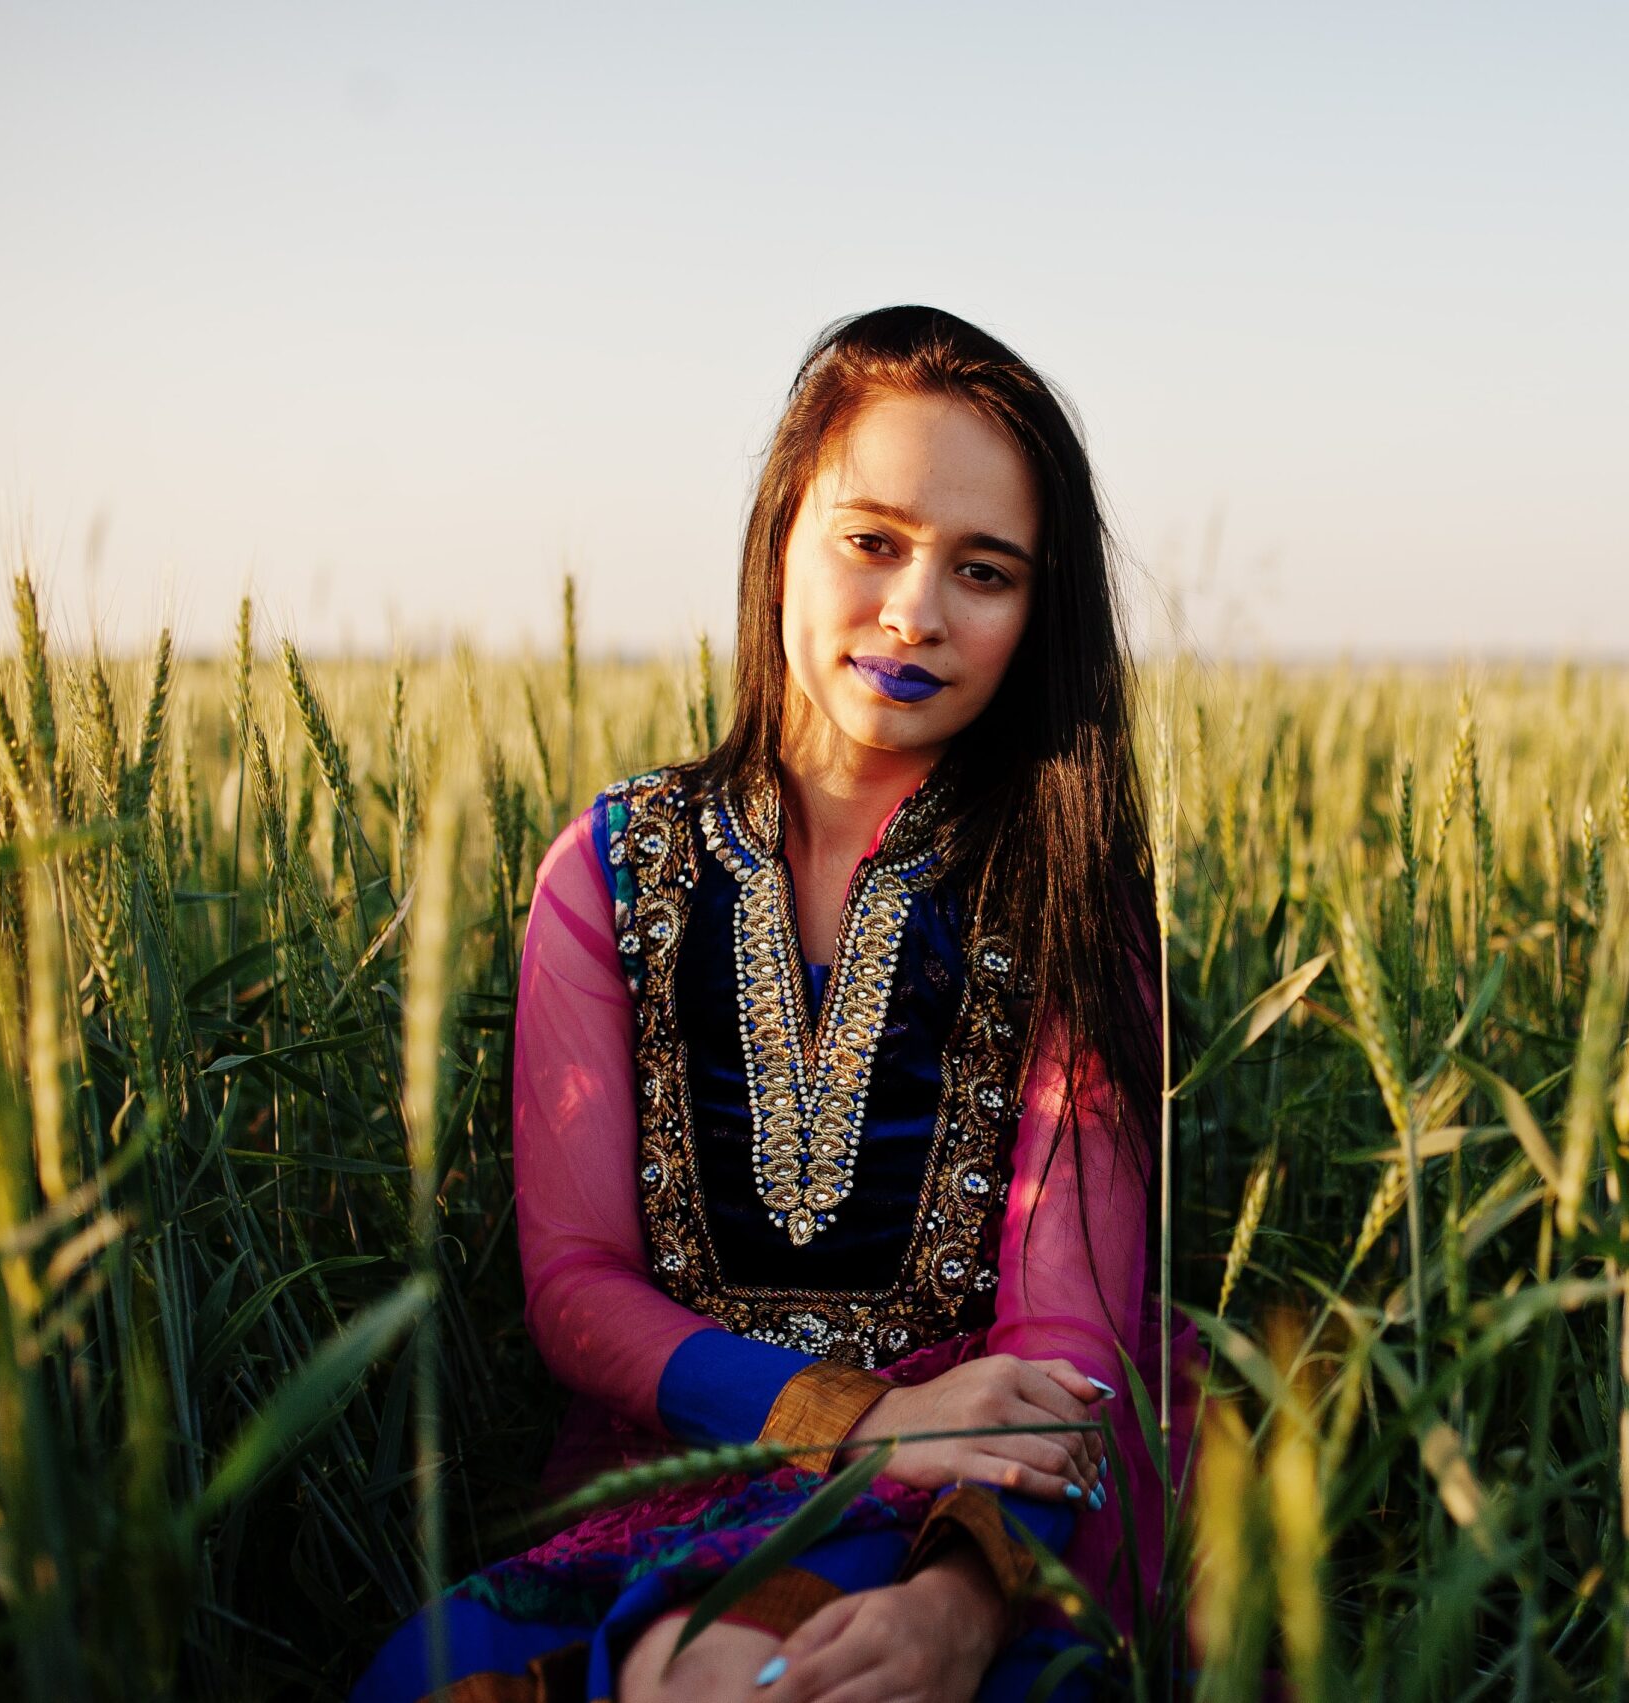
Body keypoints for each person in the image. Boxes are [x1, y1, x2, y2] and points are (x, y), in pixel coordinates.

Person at [351, 305, 1196, 1703]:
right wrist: (855, 1416)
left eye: (983, 572)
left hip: (989, 1485)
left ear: (1037, 611)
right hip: (684, 1454)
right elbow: (575, 1294)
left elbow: (1065, 1344)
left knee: (741, 1676)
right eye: (872, 541)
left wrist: (965, 1601)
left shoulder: (1062, 890)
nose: (917, 610)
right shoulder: (609, 872)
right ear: (781, 535)